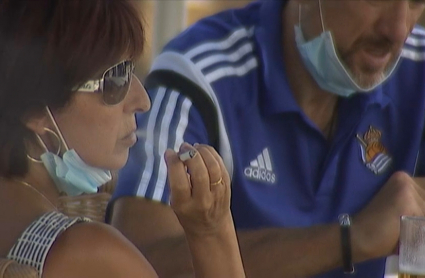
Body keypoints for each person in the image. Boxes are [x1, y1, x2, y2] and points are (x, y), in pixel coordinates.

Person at [109, 0, 425, 277]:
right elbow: (138, 262)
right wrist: (351, 239)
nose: (397, 30)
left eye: (415, 1)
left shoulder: (418, 69)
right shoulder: (200, 74)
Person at [0, 1, 246, 278]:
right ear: (35, 110)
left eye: (132, 70)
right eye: (115, 80)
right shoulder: (92, 255)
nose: (143, 101)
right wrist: (212, 232)